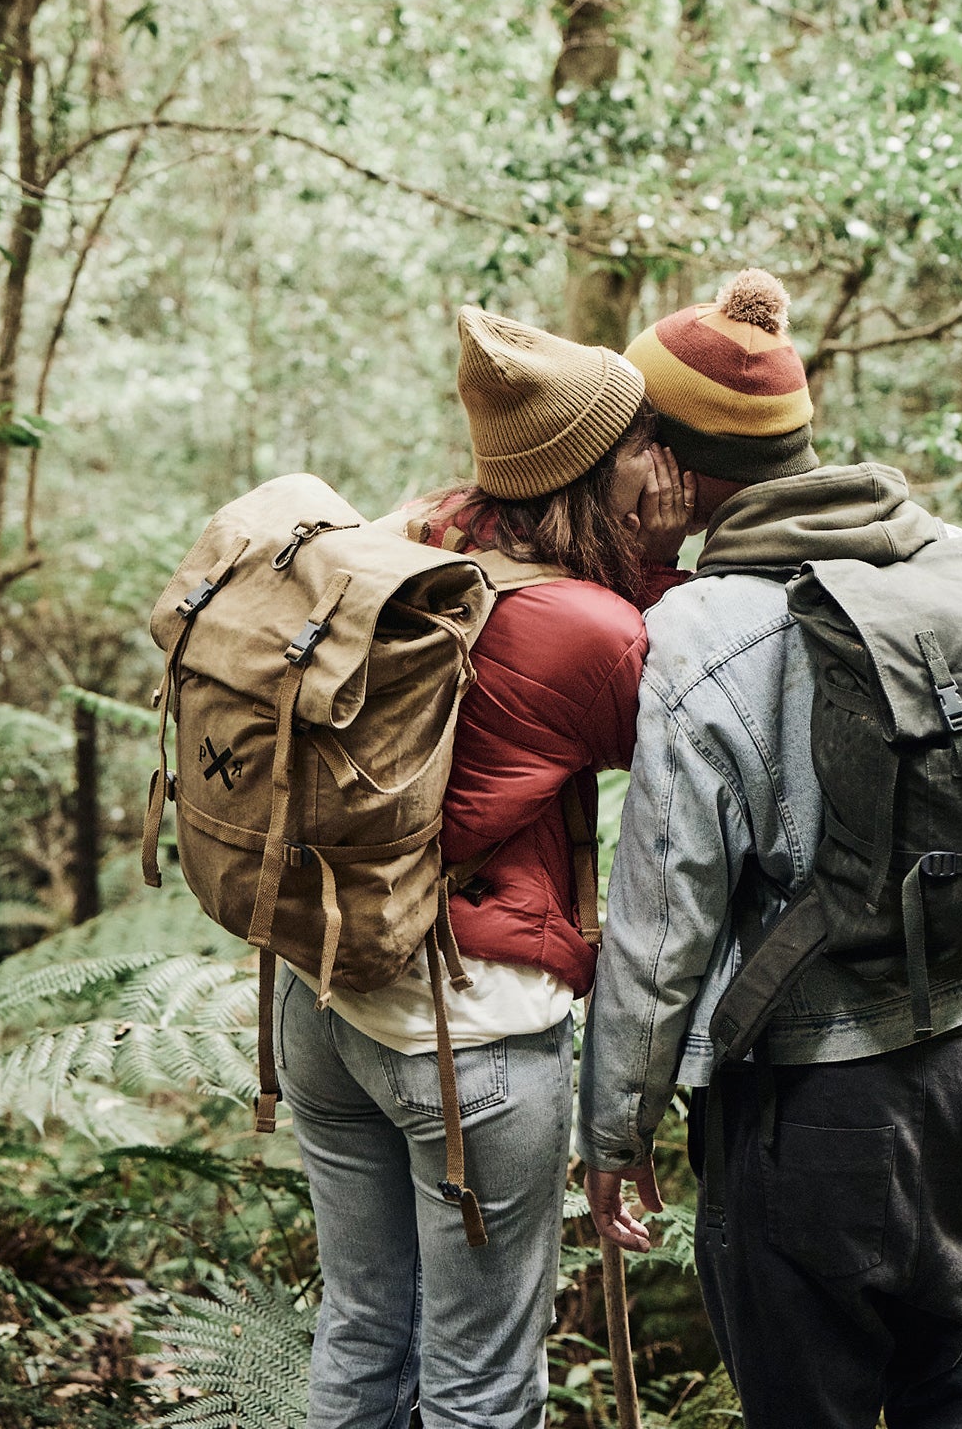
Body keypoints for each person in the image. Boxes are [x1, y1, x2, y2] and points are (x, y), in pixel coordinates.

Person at [579, 269, 962, 1429]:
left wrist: (615, 1132)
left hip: (805, 1110)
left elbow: (662, 918)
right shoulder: (955, 577)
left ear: (679, 468)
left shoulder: (704, 629)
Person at [274, 305, 692, 1429]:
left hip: (322, 998)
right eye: (642, 445)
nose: (664, 465)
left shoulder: (409, 535)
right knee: (480, 1387)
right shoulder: (590, 626)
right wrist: (658, 554)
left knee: (362, 1329)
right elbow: (671, 720)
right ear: (595, 473)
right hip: (472, 1041)